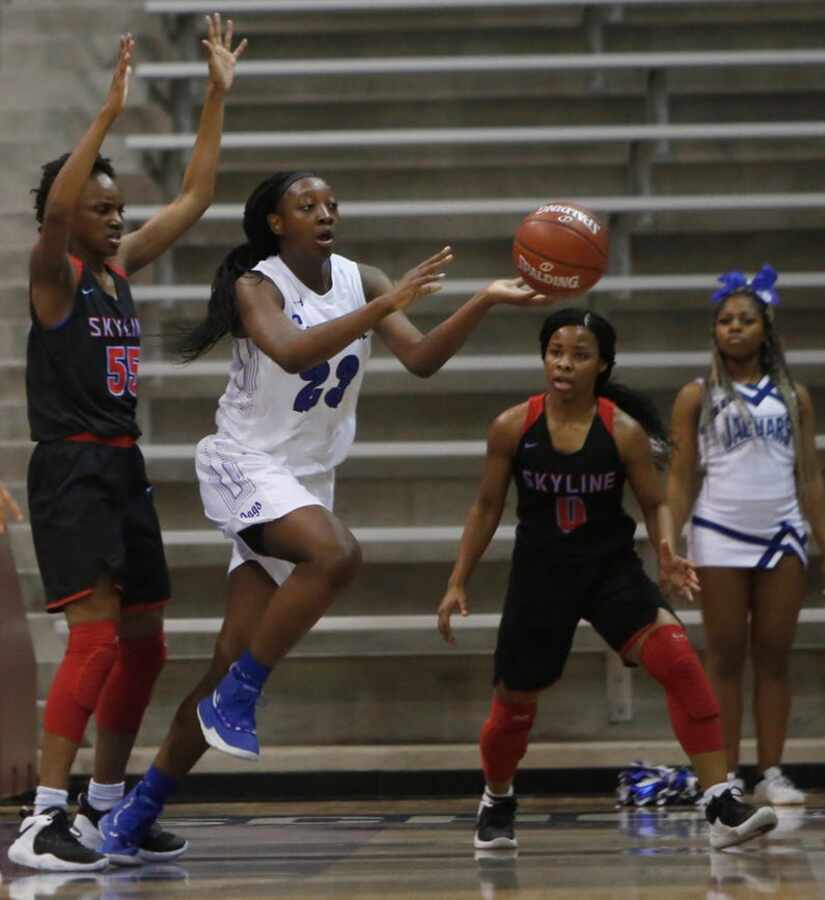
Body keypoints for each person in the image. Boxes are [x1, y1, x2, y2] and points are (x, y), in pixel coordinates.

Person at [96, 169, 554, 863]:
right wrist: (387, 301)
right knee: (337, 555)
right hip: (244, 461)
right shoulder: (258, 283)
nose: (324, 212)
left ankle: (137, 811)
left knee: (224, 658)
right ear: (277, 222)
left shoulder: (359, 277)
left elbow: (423, 358)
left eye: (331, 203)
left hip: (306, 479)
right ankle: (241, 699)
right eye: (306, 204)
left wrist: (484, 299)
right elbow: (291, 349)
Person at [8, 17, 247, 872]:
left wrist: (216, 97)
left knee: (147, 644)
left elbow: (195, 199)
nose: (115, 221)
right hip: (70, 464)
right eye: (100, 210)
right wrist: (106, 115)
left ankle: (108, 813)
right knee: (97, 641)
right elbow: (66, 204)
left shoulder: (116, 270)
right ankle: (42, 818)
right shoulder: (53, 274)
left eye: (118, 210)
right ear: (64, 219)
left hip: (121, 463)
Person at [436, 307, 779, 851]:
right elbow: (484, 507)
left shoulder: (622, 431)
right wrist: (458, 580)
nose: (564, 363)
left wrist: (666, 552)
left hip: (608, 569)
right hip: (541, 577)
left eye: (579, 354)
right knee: (513, 705)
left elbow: (654, 502)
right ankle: (497, 798)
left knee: (679, 660)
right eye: (556, 352)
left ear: (603, 365)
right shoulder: (512, 426)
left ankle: (719, 803)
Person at [666, 266, 825, 805]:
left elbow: (809, 474)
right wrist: (672, 542)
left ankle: (774, 770)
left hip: (783, 529)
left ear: (767, 328)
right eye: (724, 320)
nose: (733, 328)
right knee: (725, 654)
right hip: (717, 530)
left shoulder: (794, 396)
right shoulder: (697, 395)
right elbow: (683, 472)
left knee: (776, 653)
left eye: (745, 320)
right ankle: (727, 772)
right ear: (713, 331)